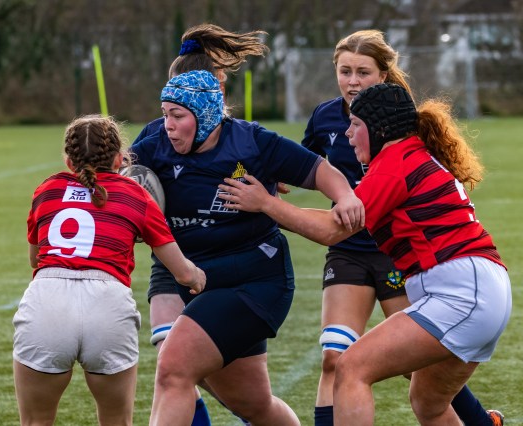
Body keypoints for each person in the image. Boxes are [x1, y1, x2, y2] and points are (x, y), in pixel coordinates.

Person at [218, 83, 512, 426]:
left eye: (355, 124)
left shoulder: (393, 163)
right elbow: (337, 220)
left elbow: (331, 229)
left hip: (461, 292)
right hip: (479, 289)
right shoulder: (410, 154)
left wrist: (266, 204)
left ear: (379, 129)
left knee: (351, 367)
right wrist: (273, 206)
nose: (348, 133)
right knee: (428, 402)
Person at [131, 69, 363, 426]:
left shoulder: (250, 142)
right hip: (201, 285)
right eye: (165, 115)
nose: (169, 126)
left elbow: (318, 170)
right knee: (254, 405)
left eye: (177, 116)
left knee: (173, 367)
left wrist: (345, 195)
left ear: (205, 115)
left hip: (256, 282)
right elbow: (117, 184)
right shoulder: (153, 146)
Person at [301, 29, 503, 426]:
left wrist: (266, 206)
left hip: (401, 257)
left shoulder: (397, 137)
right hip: (354, 251)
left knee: (406, 367)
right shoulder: (326, 117)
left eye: (362, 72)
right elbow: (305, 163)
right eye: (344, 71)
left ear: (383, 76)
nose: (352, 81)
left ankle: (481, 421)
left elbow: (332, 226)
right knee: (339, 359)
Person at [12, 114, 206, 426]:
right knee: (116, 421)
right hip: (108, 304)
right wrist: (198, 277)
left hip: (48, 300)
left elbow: (35, 260)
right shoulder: (136, 194)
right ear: (119, 159)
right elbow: (182, 273)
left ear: (68, 161)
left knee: (36, 422)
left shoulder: (47, 189)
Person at [133, 24, 269, 425]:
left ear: (217, 89)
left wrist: (267, 187)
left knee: (249, 400)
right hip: (174, 262)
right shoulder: (155, 136)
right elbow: (131, 180)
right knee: (171, 362)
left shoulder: (242, 140)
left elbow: (275, 179)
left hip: (233, 268)